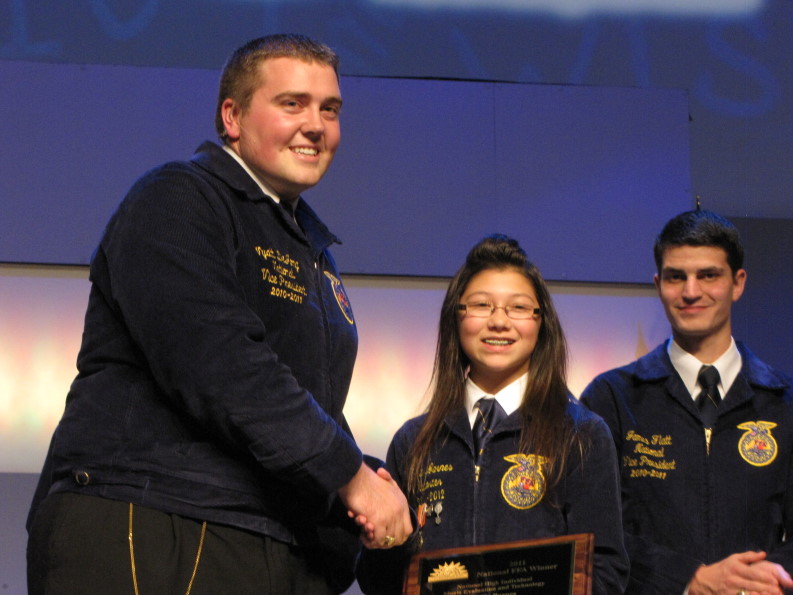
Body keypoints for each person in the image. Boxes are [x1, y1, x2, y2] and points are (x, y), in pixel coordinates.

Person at [26, 33, 411, 594]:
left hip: (258, 534)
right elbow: (221, 363)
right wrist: (350, 477)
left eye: (330, 109)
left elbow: (299, 404)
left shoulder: (313, 251)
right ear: (232, 116)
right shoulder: (178, 197)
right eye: (292, 104)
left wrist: (369, 483)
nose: (316, 125)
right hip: (156, 515)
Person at [357, 234, 629, 594]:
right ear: (456, 317)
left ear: (541, 322)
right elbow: (380, 583)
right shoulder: (414, 441)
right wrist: (387, 543)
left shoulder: (582, 435)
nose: (499, 321)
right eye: (481, 305)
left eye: (518, 307)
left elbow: (606, 571)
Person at [581, 209, 793, 595]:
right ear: (658, 284)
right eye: (676, 277)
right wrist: (687, 578)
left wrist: (756, 578)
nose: (691, 291)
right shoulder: (611, 398)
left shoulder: (785, 402)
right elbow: (592, 532)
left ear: (738, 283)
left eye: (708, 275)